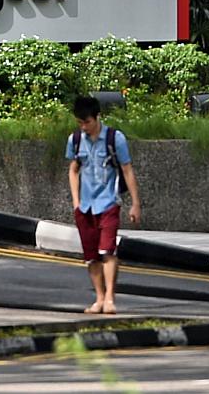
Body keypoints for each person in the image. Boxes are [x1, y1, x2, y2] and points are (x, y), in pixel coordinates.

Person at [66, 95, 141, 315]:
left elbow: (127, 170)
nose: (84, 126)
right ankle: (98, 298)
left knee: (107, 251)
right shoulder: (75, 140)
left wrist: (135, 203)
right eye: (80, 122)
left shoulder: (114, 138)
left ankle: (109, 298)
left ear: (98, 117)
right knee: (91, 256)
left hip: (108, 202)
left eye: (87, 122)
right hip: (85, 206)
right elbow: (73, 170)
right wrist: (76, 201)